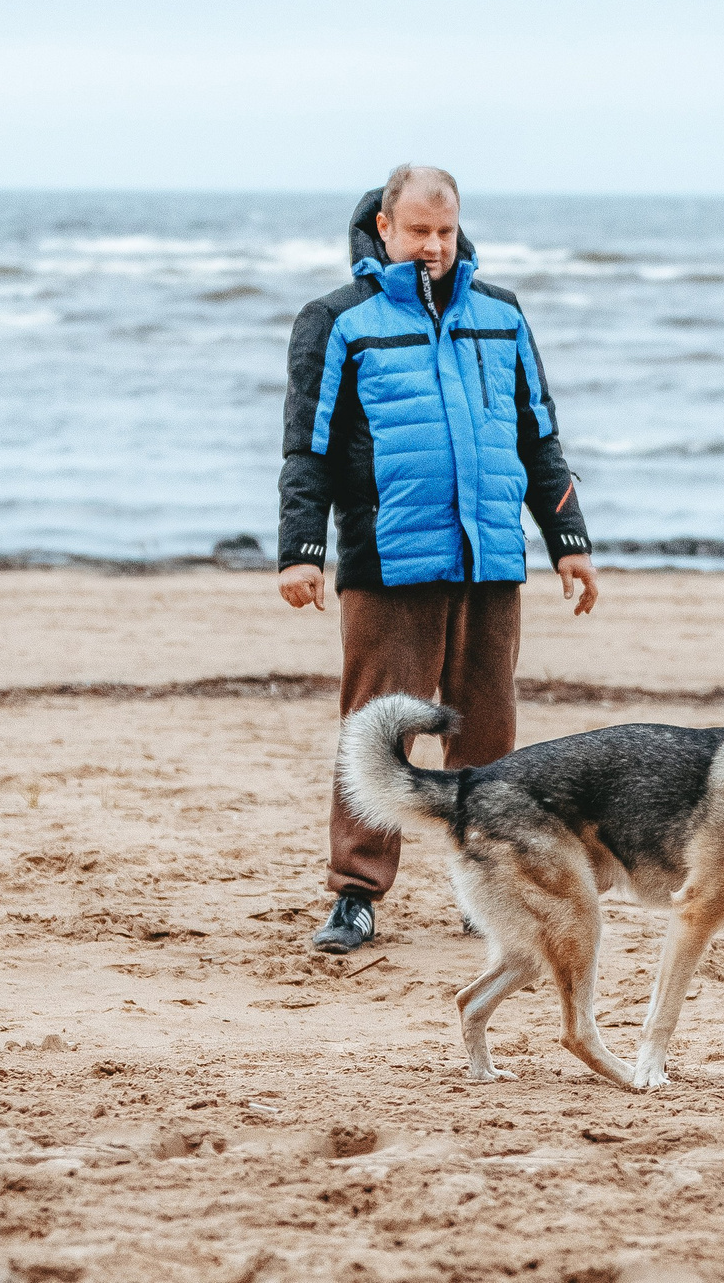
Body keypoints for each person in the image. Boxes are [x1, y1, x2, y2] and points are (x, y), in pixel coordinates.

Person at [278, 165, 601, 953]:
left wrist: (570, 543)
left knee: (488, 731)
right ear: (383, 228)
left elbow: (539, 437)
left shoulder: (502, 314)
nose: (432, 246)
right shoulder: (337, 320)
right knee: (378, 731)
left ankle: (483, 884)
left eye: (445, 232)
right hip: (389, 559)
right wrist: (301, 552)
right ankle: (356, 894)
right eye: (418, 231)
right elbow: (307, 448)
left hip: (490, 556)